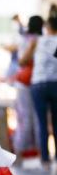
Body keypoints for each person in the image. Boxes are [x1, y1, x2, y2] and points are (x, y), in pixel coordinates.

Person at [21, 15, 57, 166]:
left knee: (42, 123)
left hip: (38, 85)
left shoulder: (36, 41)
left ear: (47, 27)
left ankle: (45, 159)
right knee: (56, 121)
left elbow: (23, 61)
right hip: (55, 83)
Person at [11, 15, 44, 163]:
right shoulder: (38, 40)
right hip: (33, 83)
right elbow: (23, 61)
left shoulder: (26, 39)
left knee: (27, 120)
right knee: (35, 120)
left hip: (26, 82)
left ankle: (21, 156)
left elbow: (21, 61)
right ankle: (40, 156)